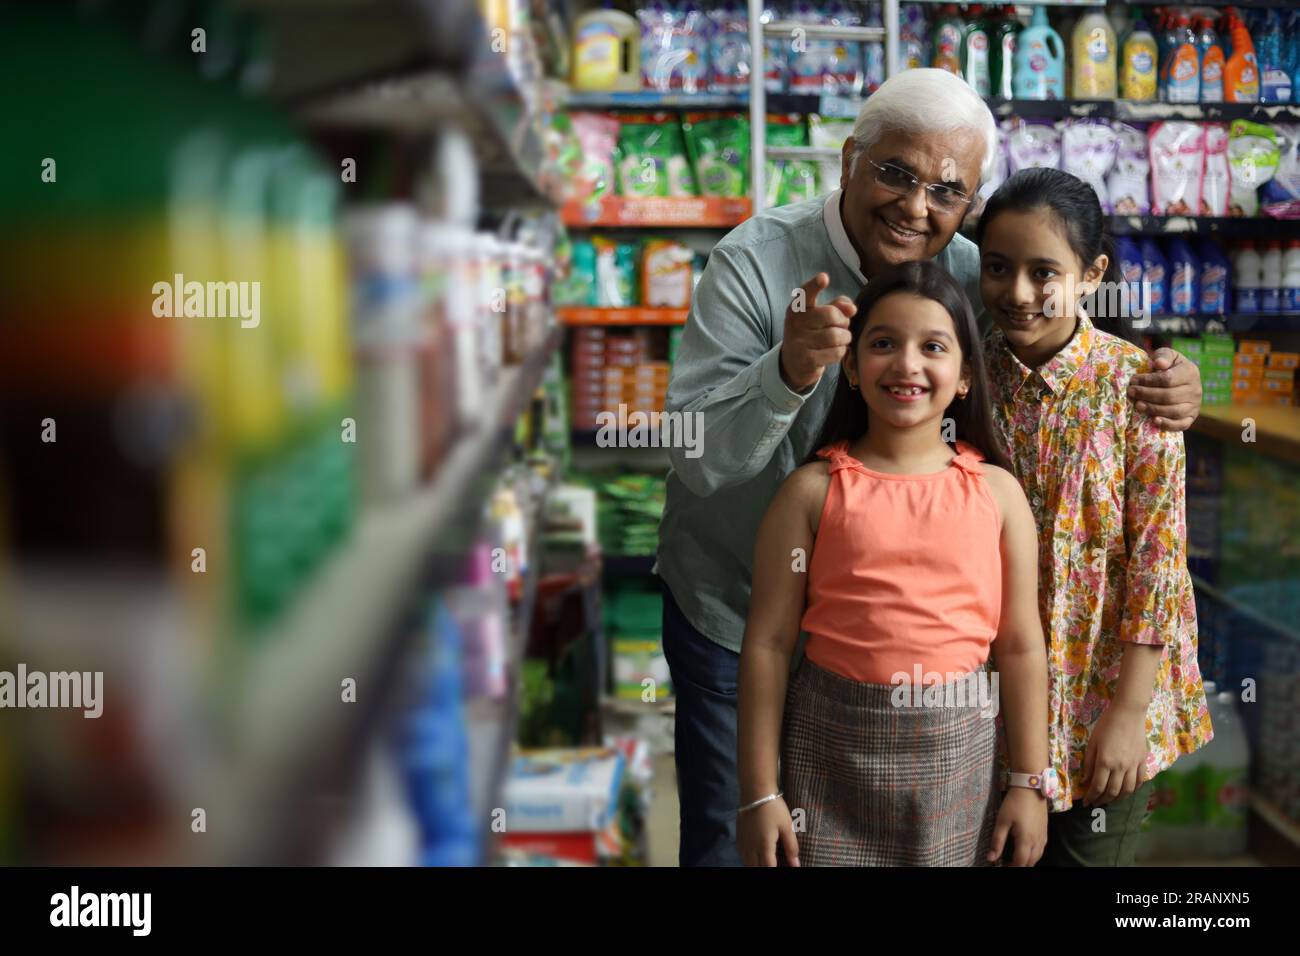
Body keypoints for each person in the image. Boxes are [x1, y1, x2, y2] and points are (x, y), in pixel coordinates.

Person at [657, 68, 1203, 867]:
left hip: (903, 655)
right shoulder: (755, 264)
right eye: (895, 174)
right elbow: (692, 456)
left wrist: (1164, 379)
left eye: (948, 190)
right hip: (739, 612)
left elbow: (1062, 323)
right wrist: (788, 370)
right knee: (737, 831)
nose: (918, 207)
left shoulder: (982, 273)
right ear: (849, 159)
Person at [735, 261, 1050, 867]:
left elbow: (1019, 646)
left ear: (964, 376)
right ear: (850, 365)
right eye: (883, 344)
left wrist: (1029, 782)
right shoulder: (809, 492)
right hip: (828, 754)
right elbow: (769, 645)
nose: (907, 364)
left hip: (958, 757)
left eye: (933, 346)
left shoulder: (999, 495)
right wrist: (759, 794)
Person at [976, 167, 1213, 866]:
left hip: (1106, 701)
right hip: (989, 703)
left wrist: (1129, 714)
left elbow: (1158, 565)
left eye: (1043, 271)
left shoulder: (1136, 387)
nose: (1018, 293)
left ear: (1091, 273)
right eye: (998, 268)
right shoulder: (963, 376)